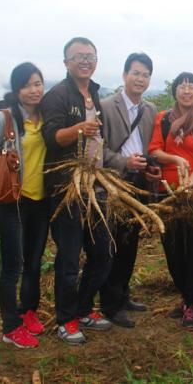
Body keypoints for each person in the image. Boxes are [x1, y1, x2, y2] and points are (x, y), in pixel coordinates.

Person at [41, 37, 113, 344]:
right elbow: (51, 137)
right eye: (78, 56)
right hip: (66, 187)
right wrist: (79, 129)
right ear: (66, 62)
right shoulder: (57, 95)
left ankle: (83, 309)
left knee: (103, 252)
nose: (85, 60)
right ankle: (65, 320)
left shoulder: (95, 92)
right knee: (69, 258)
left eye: (90, 55)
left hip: (94, 184)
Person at [0, 62, 48, 348]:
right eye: (28, 84)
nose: (34, 90)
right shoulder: (3, 119)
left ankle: (27, 311)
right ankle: (10, 327)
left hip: (41, 201)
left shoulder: (44, 116)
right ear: (16, 89)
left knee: (33, 262)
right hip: (13, 203)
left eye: (38, 83)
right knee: (13, 266)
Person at [99, 52, 160, 328]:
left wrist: (148, 165)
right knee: (113, 242)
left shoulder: (150, 110)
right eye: (136, 73)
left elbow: (150, 146)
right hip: (114, 183)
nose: (140, 78)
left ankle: (124, 295)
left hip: (138, 182)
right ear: (124, 75)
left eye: (145, 74)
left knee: (130, 241)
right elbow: (98, 149)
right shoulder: (106, 106)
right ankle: (110, 304)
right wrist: (125, 162)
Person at [148, 72, 193, 328]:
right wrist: (175, 160)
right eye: (182, 87)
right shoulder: (162, 119)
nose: (187, 91)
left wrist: (190, 181)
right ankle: (187, 296)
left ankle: (191, 302)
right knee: (172, 247)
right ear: (175, 91)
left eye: (192, 87)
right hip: (168, 191)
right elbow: (154, 149)